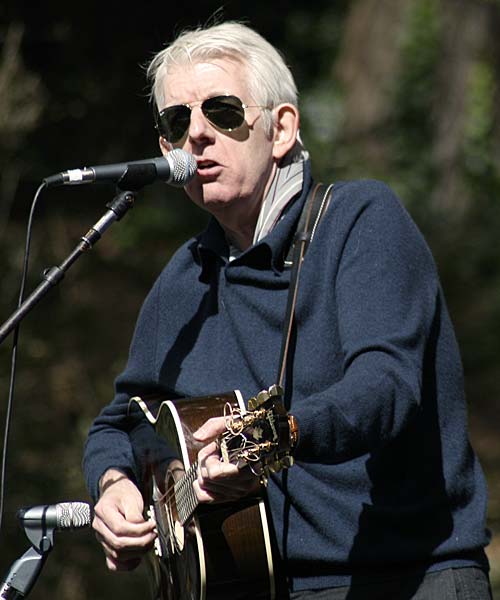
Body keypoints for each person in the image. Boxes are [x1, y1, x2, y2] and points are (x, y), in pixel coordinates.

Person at [82, 21, 493, 599]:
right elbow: (120, 420)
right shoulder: (184, 278)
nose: (197, 134)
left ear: (280, 130)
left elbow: (385, 386)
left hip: (404, 578)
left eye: (222, 112)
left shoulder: (359, 222)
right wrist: (113, 483)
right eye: (178, 122)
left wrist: (277, 435)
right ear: (165, 150)